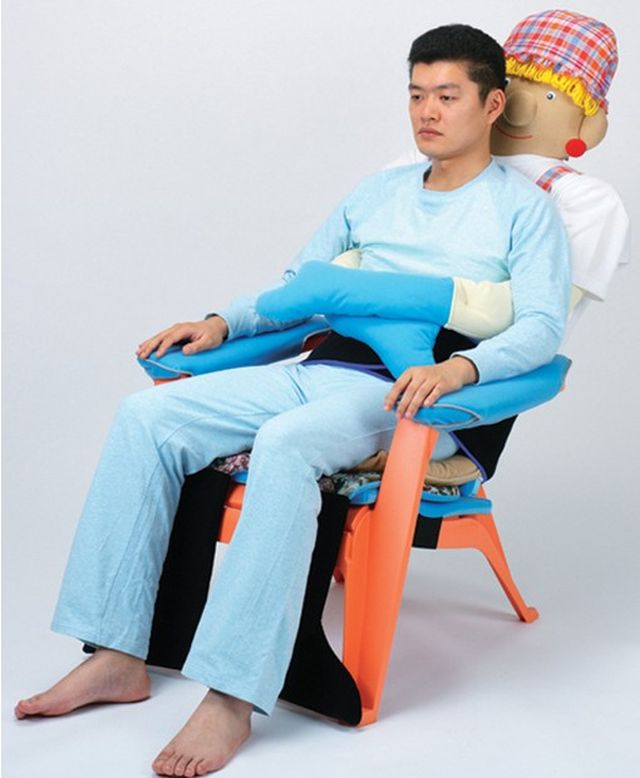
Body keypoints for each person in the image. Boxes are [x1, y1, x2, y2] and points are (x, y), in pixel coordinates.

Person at [15, 24, 570, 777]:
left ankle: (232, 695)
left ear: (492, 104)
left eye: (447, 96)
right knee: (145, 417)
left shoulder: (523, 210)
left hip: (408, 392)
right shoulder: (376, 193)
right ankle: (115, 652)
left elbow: (541, 327)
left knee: (287, 443)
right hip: (323, 364)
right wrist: (222, 323)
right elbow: (297, 286)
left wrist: (464, 369)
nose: (427, 111)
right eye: (416, 95)